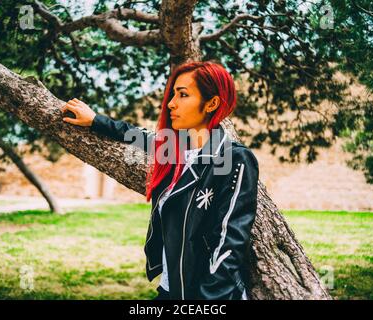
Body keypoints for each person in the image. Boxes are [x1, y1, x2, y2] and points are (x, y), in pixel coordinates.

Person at [60, 61, 259, 300]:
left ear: (212, 103)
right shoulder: (174, 149)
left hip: (208, 296)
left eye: (183, 95)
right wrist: (95, 120)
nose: (171, 103)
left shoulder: (233, 158)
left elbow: (229, 242)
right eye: (173, 93)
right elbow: (134, 134)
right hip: (171, 289)